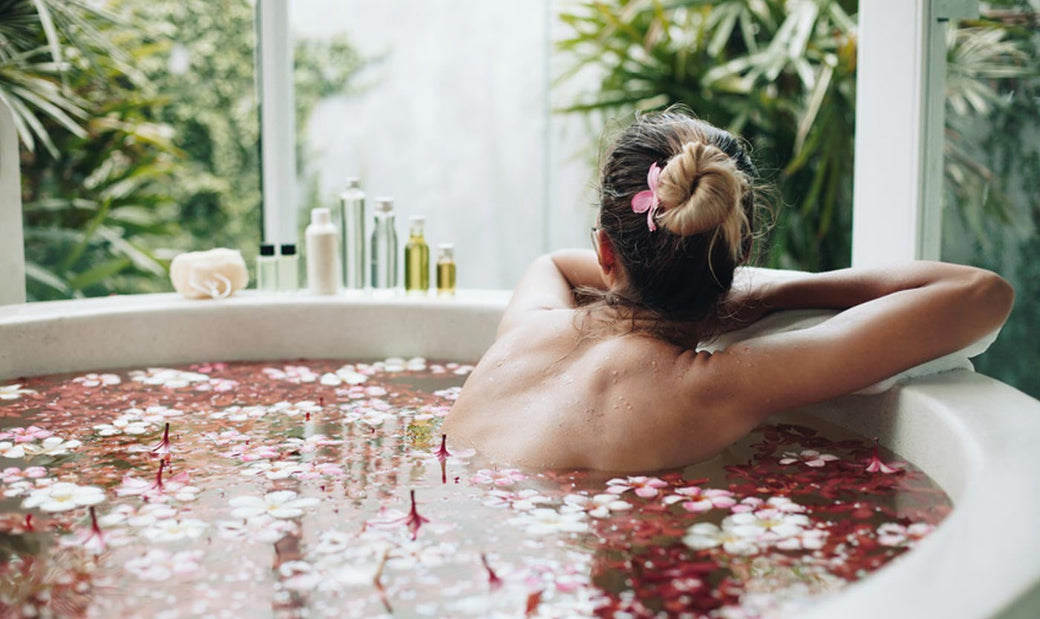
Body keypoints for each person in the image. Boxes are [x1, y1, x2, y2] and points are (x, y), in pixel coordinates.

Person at [441, 110, 1014, 472]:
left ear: (605, 252)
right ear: (739, 258)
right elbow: (980, 292)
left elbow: (556, 263)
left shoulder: (529, 326)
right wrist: (762, 298)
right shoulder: (714, 386)